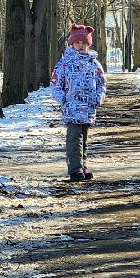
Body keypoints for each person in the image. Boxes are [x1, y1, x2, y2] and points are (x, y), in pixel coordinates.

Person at [50, 23, 107, 182]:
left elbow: (102, 83)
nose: (80, 46)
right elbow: (55, 83)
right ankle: (75, 169)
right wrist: (63, 99)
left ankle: (83, 166)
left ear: (88, 45)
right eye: (77, 43)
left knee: (84, 139)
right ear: (71, 44)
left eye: (84, 43)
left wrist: (98, 97)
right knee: (74, 138)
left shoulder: (94, 64)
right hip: (72, 108)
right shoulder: (65, 63)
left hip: (88, 108)